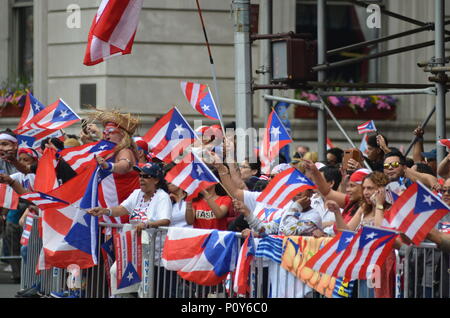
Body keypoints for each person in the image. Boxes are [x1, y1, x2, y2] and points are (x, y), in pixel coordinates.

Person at [87, 162, 172, 297]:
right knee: (116, 273)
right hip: (133, 250)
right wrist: (104, 211)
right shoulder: (136, 193)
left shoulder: (162, 197)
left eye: (146, 176)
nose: (141, 179)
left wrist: (147, 224)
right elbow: (122, 209)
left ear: (156, 180)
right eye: (140, 175)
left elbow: (165, 220)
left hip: (152, 255)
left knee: (145, 291)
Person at [91, 109, 140, 175]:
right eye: (104, 132)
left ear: (122, 134)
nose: (106, 134)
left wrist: (108, 166)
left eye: (111, 131)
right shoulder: (111, 150)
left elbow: (124, 166)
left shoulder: (125, 151)